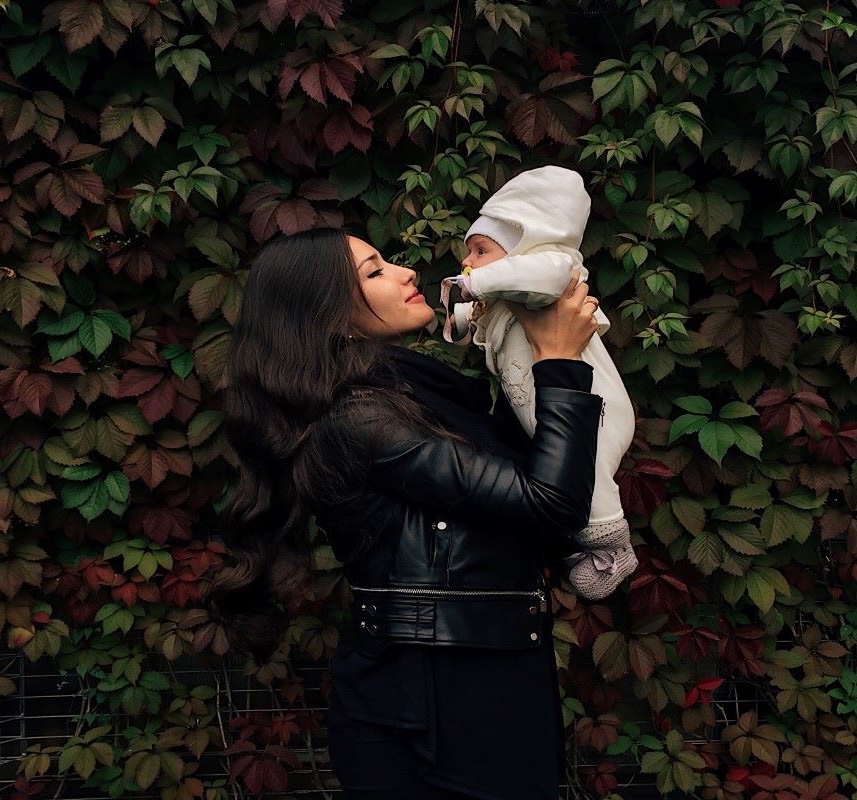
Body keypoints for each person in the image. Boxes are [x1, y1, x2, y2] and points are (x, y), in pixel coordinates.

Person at [209, 227, 605, 799]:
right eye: (374, 272)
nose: (405, 272)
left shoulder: (414, 395)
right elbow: (551, 503)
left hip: (481, 690)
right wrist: (561, 361)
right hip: (434, 709)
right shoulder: (360, 420)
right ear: (327, 316)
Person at [439, 165, 638, 600]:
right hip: (547, 406)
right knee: (564, 476)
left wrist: (473, 283)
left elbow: (538, 275)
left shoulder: (552, 271)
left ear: (523, 247)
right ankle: (574, 544)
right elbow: (478, 317)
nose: (468, 262)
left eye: (480, 250)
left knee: (592, 474)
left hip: (593, 405)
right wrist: (459, 315)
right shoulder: (509, 298)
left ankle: (612, 548)